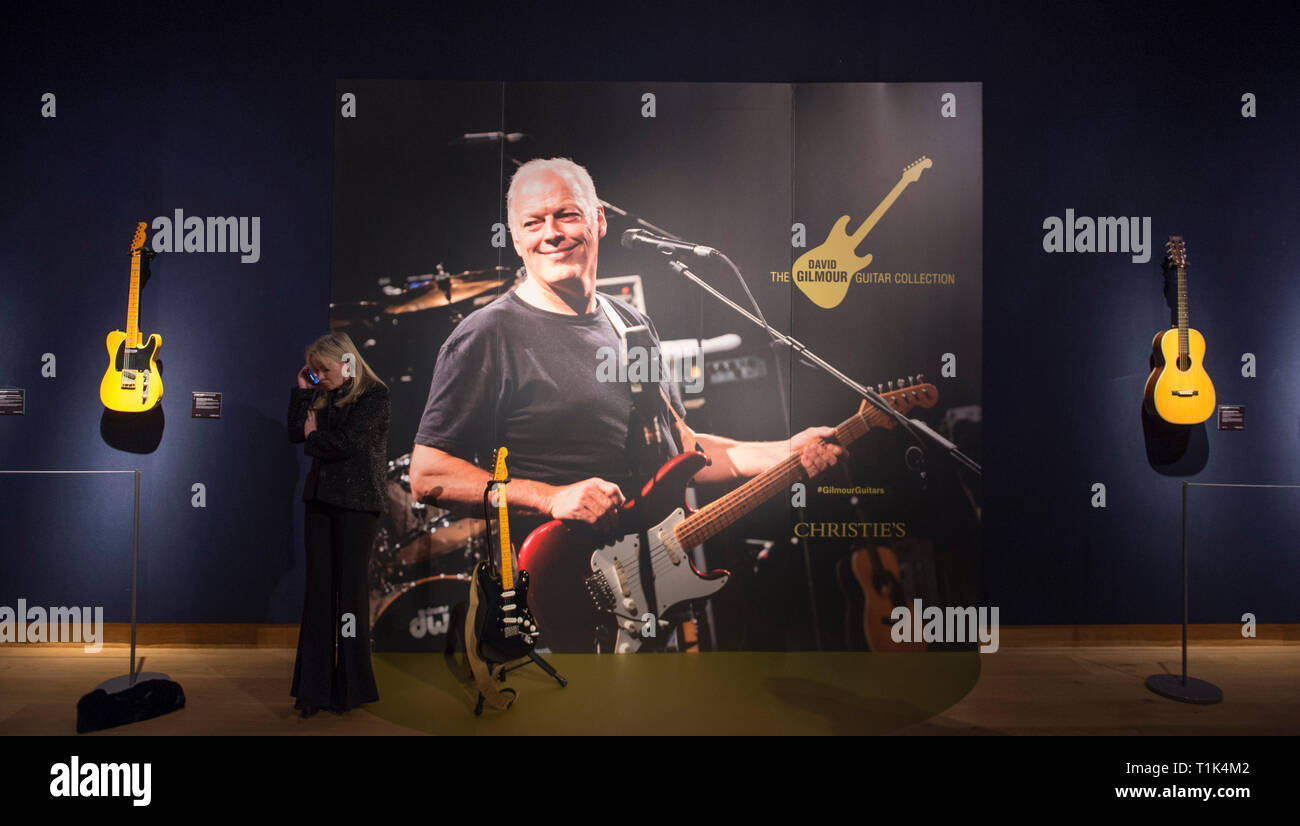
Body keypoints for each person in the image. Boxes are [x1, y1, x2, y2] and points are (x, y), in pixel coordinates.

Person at [409, 157, 842, 649]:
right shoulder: (488, 335)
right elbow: (429, 475)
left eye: (566, 215)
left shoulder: (630, 326)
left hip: (645, 595)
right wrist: (551, 497)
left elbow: (685, 451)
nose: (550, 233)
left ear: (598, 220)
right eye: (533, 222)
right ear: (516, 239)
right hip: (554, 602)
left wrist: (786, 450)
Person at [287, 331, 390, 716]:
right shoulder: (321, 395)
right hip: (320, 501)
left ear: (346, 362)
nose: (319, 377)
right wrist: (302, 391)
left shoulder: (375, 397)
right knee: (318, 596)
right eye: (313, 372)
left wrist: (316, 436)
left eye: (322, 369)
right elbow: (296, 433)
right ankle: (313, 690)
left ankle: (350, 687)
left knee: (349, 599)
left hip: (357, 506)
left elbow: (346, 444)